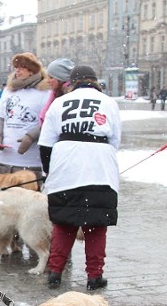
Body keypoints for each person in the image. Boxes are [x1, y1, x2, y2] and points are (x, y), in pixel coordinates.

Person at [39, 65, 121, 291]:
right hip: (100, 171)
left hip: (66, 169)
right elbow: (114, 141)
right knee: (96, 227)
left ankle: (55, 272)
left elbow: (45, 144)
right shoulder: (108, 103)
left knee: (63, 224)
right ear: (95, 82)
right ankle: (94, 277)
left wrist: (50, 171)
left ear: (71, 83)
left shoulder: (59, 103)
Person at [0, 52, 50, 180]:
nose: (18, 70)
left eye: (22, 67)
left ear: (32, 70)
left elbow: (49, 122)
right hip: (5, 160)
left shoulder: (45, 92)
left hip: (30, 162)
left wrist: (30, 137)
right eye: (16, 67)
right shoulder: (9, 90)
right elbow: (0, 117)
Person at [39, 58, 75, 125]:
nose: (48, 81)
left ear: (60, 79)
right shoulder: (55, 93)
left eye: (51, 78)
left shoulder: (70, 97)